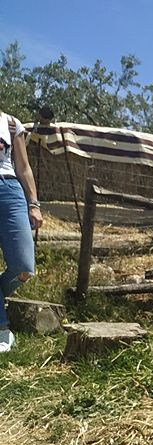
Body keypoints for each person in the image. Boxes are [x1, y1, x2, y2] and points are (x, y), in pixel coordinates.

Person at [0, 109, 42, 353]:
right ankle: (3, 330)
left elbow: (24, 167)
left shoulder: (10, 123)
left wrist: (34, 204)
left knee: (25, 266)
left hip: (9, 189)